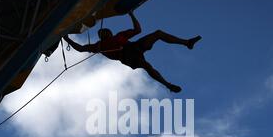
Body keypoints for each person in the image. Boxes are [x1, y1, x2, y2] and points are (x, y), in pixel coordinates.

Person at [63, 11, 201, 93]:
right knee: (147, 66)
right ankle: (168, 84)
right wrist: (66, 38)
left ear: (109, 32)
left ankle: (187, 42)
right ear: (101, 35)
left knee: (158, 33)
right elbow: (80, 48)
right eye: (102, 32)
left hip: (134, 47)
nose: (104, 32)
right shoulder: (99, 45)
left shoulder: (119, 36)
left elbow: (138, 30)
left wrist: (131, 14)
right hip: (127, 56)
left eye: (105, 31)